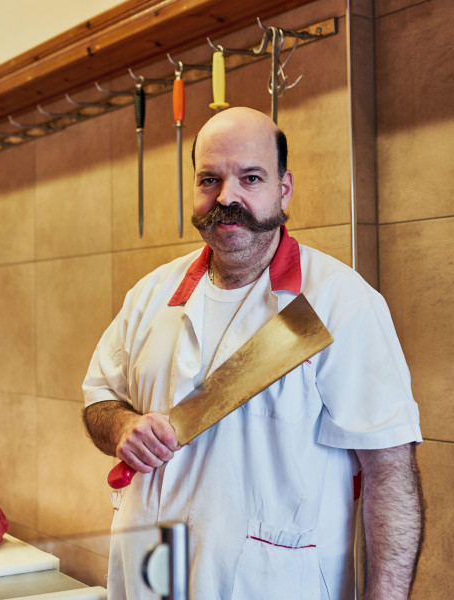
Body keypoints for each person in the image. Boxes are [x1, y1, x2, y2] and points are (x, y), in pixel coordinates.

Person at [82, 107, 424, 600]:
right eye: (209, 179)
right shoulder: (150, 296)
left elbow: (389, 474)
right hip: (146, 581)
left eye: (251, 177)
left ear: (283, 189)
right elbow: (100, 399)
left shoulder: (340, 304)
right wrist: (121, 428)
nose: (227, 197)